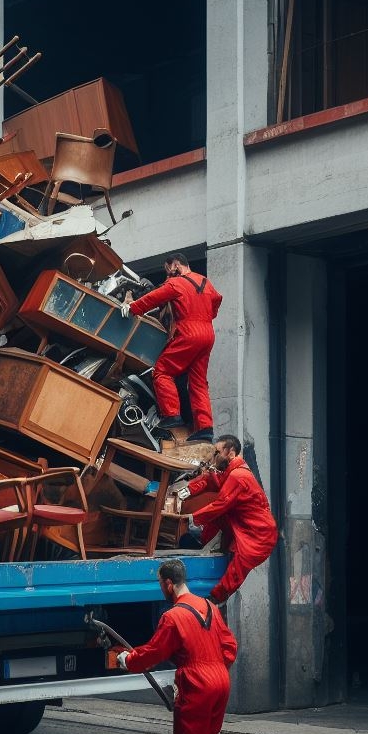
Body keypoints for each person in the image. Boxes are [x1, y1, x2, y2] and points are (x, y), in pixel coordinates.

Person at [117, 558, 264, 734]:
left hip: (197, 683)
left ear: (168, 584)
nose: (161, 588)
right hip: (220, 679)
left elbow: (154, 652)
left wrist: (128, 660)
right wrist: (216, 669)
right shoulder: (209, 607)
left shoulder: (172, 617)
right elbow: (229, 645)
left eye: (160, 584)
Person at [121, 252, 222, 443]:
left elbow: (154, 298)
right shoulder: (205, 282)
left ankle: (172, 414)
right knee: (199, 382)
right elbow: (217, 300)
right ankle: (205, 428)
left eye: (168, 270)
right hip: (208, 333)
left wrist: (132, 308)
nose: (168, 274)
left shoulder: (176, 284)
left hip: (189, 332)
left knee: (162, 371)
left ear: (175, 264)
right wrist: (205, 314)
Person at [177, 434, 278, 605]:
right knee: (219, 517)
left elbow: (220, 504)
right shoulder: (232, 471)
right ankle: (201, 541)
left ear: (230, 452)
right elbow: (212, 482)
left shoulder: (238, 476)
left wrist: (192, 518)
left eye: (217, 453)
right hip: (247, 525)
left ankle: (215, 598)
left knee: (237, 570)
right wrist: (185, 492)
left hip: (259, 534)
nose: (214, 456)